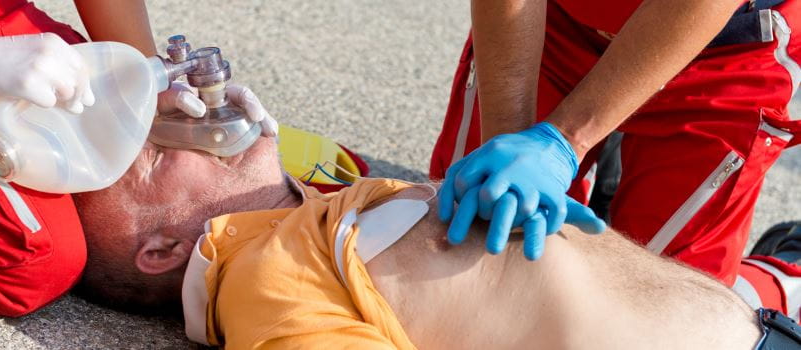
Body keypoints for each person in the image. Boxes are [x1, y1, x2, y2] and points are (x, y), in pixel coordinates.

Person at [73, 135, 801, 349]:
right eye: (152, 157)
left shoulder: (309, 208)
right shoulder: (266, 279)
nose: (176, 126)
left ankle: (781, 270)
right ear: (163, 251)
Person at [0, 0, 274, 316]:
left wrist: (145, 73)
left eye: (225, 158)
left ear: (162, 251)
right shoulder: (75, 74)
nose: (205, 124)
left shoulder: (28, 249)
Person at [431, 0, 801, 287]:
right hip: (558, 25)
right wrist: (507, 156)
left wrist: (566, 138)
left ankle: (783, 282)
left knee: (670, 312)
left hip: (723, 52)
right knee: (461, 251)